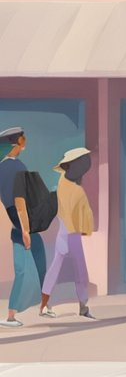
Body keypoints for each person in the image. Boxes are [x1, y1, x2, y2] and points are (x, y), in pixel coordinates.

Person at [38, 148, 96, 320]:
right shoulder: (78, 191)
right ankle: (83, 307)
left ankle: (43, 305)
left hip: (63, 232)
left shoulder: (62, 182)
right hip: (73, 235)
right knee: (80, 272)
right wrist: (86, 230)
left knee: (54, 268)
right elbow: (85, 216)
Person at [0, 127, 43, 328]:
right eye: (22, 140)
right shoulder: (17, 167)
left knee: (23, 269)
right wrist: (26, 229)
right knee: (29, 267)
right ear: (17, 143)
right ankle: (16, 313)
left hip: (13, 221)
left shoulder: (2, 167)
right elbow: (20, 200)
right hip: (21, 221)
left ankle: (13, 313)